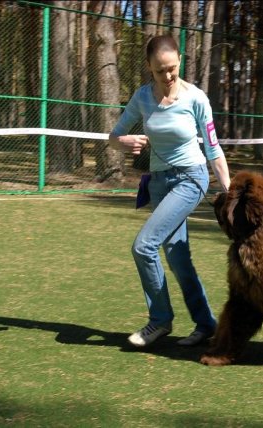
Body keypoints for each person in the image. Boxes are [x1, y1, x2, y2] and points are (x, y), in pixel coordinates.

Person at [108, 34, 231, 348]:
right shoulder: (142, 98)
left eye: (172, 68)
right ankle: (206, 325)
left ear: (180, 61)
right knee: (178, 259)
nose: (168, 76)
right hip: (159, 183)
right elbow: (114, 135)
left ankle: (159, 321)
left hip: (191, 178)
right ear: (149, 66)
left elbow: (214, 150)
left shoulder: (196, 98)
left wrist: (229, 193)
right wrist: (122, 142)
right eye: (160, 69)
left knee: (144, 247)